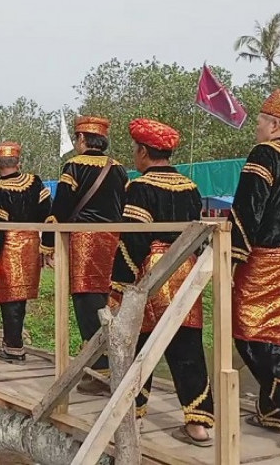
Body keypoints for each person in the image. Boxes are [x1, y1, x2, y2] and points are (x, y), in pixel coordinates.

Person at [109, 118, 213, 446]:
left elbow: (134, 240)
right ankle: (198, 423)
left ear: (142, 152)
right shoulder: (190, 186)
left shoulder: (139, 187)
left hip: (153, 269)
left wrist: (118, 284)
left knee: (140, 344)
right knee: (187, 344)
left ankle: (134, 418)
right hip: (186, 269)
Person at [41, 116, 128, 395]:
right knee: (108, 299)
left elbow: (61, 207)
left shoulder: (75, 166)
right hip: (113, 240)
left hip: (86, 242)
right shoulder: (118, 168)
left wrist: (47, 243)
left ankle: (99, 370)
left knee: (86, 299)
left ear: (81, 140)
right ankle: (115, 362)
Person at [229, 88, 280, 442]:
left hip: (267, 259)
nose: (255, 129)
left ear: (273, 125)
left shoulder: (265, 154)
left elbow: (247, 210)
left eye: (258, 123)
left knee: (248, 331)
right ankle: (273, 412)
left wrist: (232, 254)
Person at [0, 142, 52, 364]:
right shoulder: (34, 182)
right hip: (31, 244)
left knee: (9, 296)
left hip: (9, 247)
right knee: (20, 296)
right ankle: (14, 342)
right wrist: (45, 244)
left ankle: (13, 347)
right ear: (18, 162)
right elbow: (47, 213)